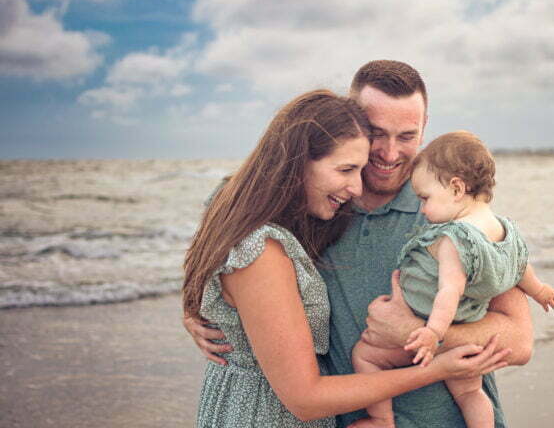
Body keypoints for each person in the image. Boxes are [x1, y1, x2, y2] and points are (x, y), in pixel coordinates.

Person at [184, 61, 534, 427]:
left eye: (407, 136)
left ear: (424, 128)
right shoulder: (311, 206)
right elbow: (230, 252)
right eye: (377, 133)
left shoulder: (451, 211)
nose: (390, 153)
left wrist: (415, 334)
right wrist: (197, 310)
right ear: (351, 122)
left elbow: (519, 341)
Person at [351, 131, 554, 428]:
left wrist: (431, 333)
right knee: (471, 392)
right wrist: (539, 291)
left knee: (366, 356)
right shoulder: (505, 230)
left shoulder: (454, 238)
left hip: (427, 325)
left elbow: (450, 289)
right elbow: (520, 267)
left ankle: (381, 420)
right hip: (468, 327)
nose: (423, 208)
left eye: (426, 198)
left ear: (456, 188)